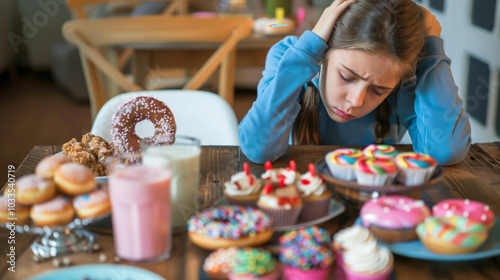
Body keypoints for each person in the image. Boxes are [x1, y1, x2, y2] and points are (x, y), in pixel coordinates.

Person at [238, 0, 471, 166]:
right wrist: (308, 50)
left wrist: (432, 54)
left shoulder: (404, 83)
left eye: (379, 90)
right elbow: (259, 149)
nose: (355, 101)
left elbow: (444, 151)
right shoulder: (289, 57)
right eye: (347, 77)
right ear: (324, 52)